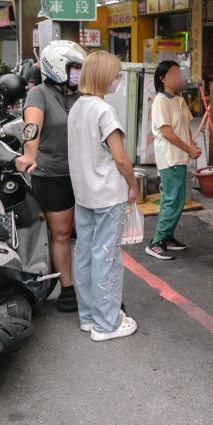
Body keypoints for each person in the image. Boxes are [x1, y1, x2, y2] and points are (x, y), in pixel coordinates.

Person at [68, 50, 139, 341]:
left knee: (84, 253)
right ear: (105, 78)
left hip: (83, 193)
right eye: (116, 74)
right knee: (107, 257)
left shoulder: (76, 108)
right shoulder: (104, 111)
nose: (118, 79)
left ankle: (88, 317)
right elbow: (120, 158)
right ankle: (107, 323)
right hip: (108, 194)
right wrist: (133, 184)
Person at [16, 40, 86, 313]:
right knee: (61, 231)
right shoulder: (40, 95)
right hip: (52, 174)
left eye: (80, 67)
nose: (79, 72)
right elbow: (32, 126)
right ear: (57, 67)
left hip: (83, 174)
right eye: (74, 67)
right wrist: (29, 153)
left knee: (87, 233)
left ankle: (95, 287)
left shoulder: (81, 95)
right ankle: (68, 288)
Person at [146, 60, 201, 260]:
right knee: (171, 199)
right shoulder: (161, 100)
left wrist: (191, 148)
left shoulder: (179, 100)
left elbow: (185, 126)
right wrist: (188, 148)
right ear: (163, 78)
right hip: (170, 158)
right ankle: (156, 242)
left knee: (177, 199)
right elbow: (167, 132)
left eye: (179, 73)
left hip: (180, 156)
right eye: (175, 73)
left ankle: (167, 237)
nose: (179, 77)